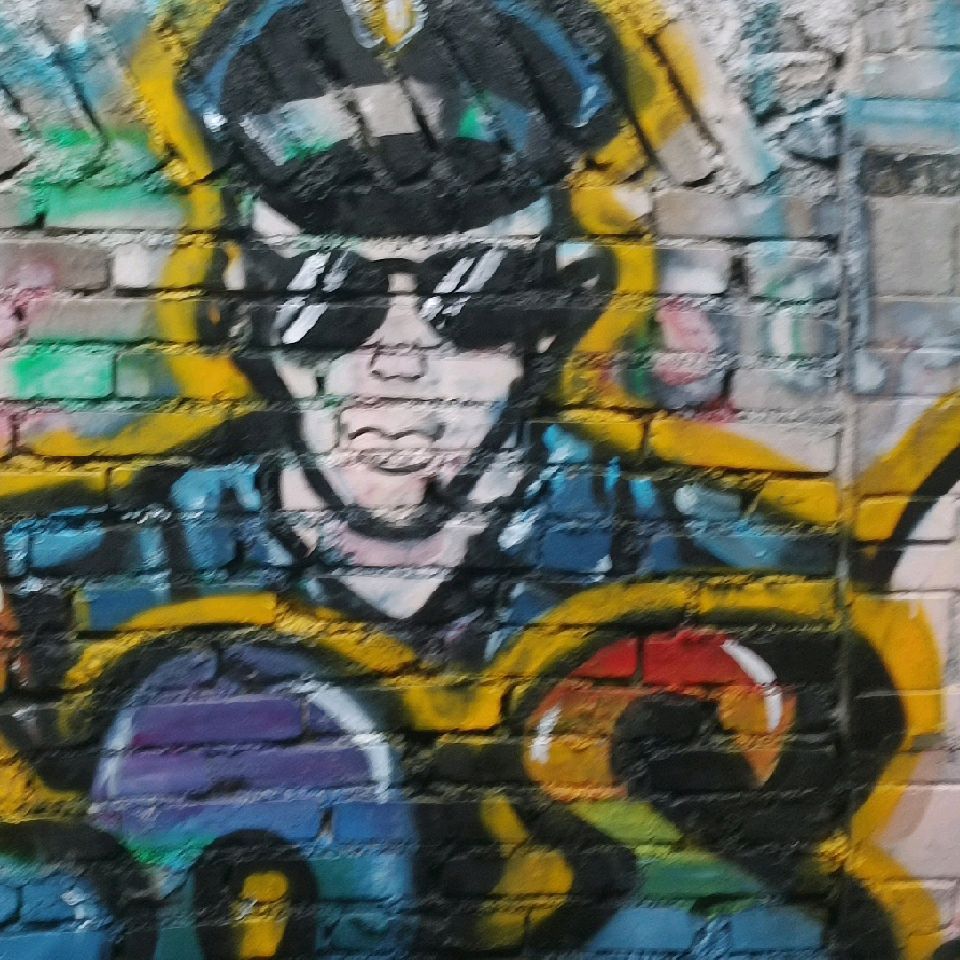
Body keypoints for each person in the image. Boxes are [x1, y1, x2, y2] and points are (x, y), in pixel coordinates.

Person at [0, 1, 903, 957]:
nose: (400, 356)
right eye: (329, 296)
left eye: (470, 296)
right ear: (239, 309)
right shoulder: (76, 589)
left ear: (561, 305)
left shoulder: (730, 577)